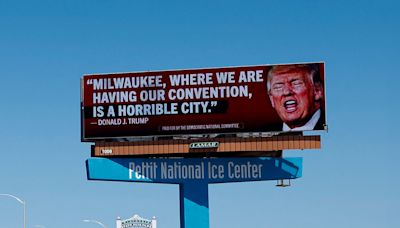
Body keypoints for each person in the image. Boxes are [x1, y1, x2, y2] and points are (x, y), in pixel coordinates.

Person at [267, 64, 325, 131]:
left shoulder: (333, 124)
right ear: (271, 98)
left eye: (296, 83)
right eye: (278, 87)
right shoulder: (261, 132)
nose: (286, 92)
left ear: (317, 90)